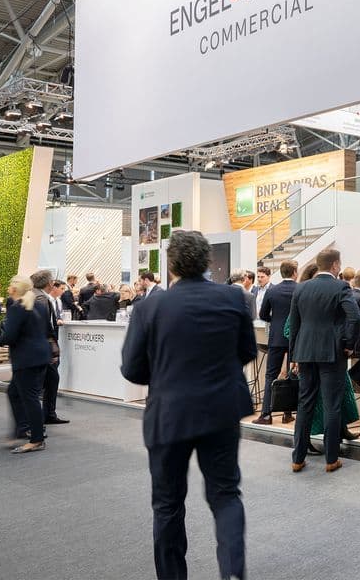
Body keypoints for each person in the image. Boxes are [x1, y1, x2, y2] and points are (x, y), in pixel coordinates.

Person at [121, 230, 256, 580]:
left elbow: (132, 369)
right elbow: (247, 352)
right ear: (207, 261)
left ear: (170, 264)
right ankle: (232, 575)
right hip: (222, 411)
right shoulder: (234, 298)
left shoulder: (149, 307)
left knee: (167, 504)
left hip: (169, 414)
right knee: (226, 496)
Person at [289, 249, 360, 472]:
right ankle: (331, 459)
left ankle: (298, 458)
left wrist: (293, 355)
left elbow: (295, 324)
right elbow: (355, 317)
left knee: (304, 404)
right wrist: (349, 344)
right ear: (336, 265)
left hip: (304, 352)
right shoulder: (340, 287)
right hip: (332, 353)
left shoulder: (301, 288)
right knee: (332, 405)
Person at [0, 276, 52, 454]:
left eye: (10, 285)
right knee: (15, 393)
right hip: (40, 356)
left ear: (15, 289)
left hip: (26, 359)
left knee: (29, 398)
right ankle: (23, 428)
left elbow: (9, 337)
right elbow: (45, 330)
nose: (8, 287)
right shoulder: (38, 305)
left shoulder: (17, 308)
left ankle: (36, 439)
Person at [253, 260, 297, 426]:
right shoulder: (300, 289)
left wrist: (277, 321)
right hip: (294, 338)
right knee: (293, 375)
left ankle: (266, 415)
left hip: (276, 338)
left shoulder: (273, 291)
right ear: (295, 272)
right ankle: (287, 413)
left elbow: (263, 314)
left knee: (270, 375)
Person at [31, 270, 67, 426]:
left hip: (43, 345)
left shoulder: (39, 298)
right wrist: (52, 347)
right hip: (44, 346)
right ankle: (41, 419)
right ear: (49, 283)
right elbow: (44, 326)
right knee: (46, 382)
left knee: (51, 380)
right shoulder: (41, 299)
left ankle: (48, 415)